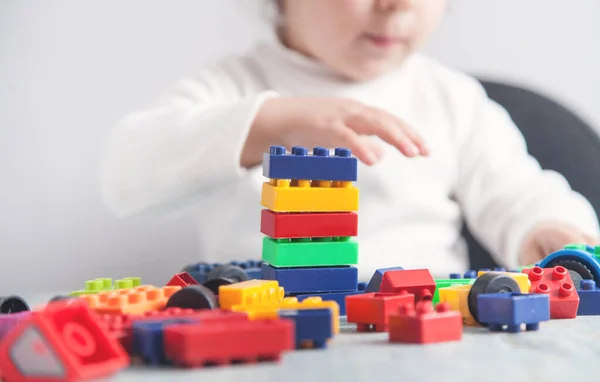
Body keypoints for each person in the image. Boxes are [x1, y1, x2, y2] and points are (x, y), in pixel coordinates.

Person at [101, 0, 599, 279]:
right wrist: (266, 125)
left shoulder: (452, 98)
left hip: (426, 336)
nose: (396, 5)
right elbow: (124, 175)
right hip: (267, 336)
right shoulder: (230, 88)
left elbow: (516, 189)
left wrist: (548, 227)